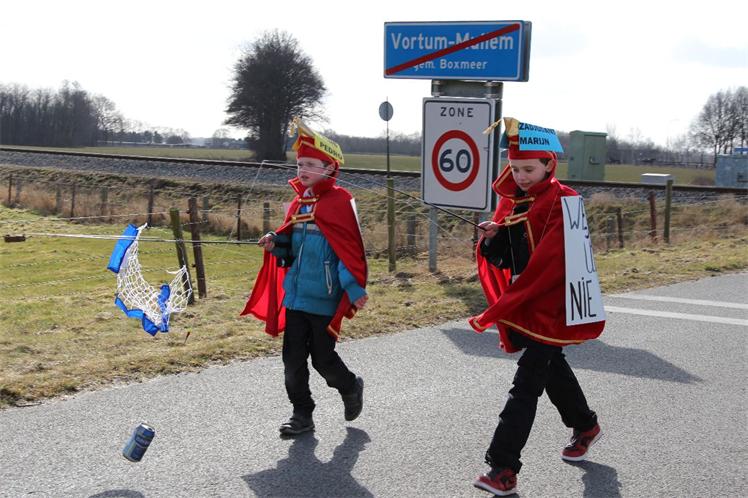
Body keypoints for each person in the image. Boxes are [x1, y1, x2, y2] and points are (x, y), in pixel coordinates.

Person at [470, 117, 605, 496]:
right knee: (551, 368)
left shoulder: (565, 200)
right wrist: (493, 238)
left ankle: (503, 468)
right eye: (515, 169)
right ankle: (586, 425)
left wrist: (498, 310)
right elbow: (506, 259)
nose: (521, 176)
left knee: (526, 383)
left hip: (553, 305)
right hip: (527, 300)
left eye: (528, 169)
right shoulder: (513, 200)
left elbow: (554, 261)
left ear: (549, 164)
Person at [241, 120, 368, 436]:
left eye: (311, 164)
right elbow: (290, 246)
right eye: (300, 164)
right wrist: (275, 241)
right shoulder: (299, 203)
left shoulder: (340, 202)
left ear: (329, 167)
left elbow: (346, 252)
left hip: (324, 300)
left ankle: (349, 386)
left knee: (323, 360)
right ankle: (302, 414)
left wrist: (353, 288)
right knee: (292, 361)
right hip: (296, 297)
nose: (303, 170)